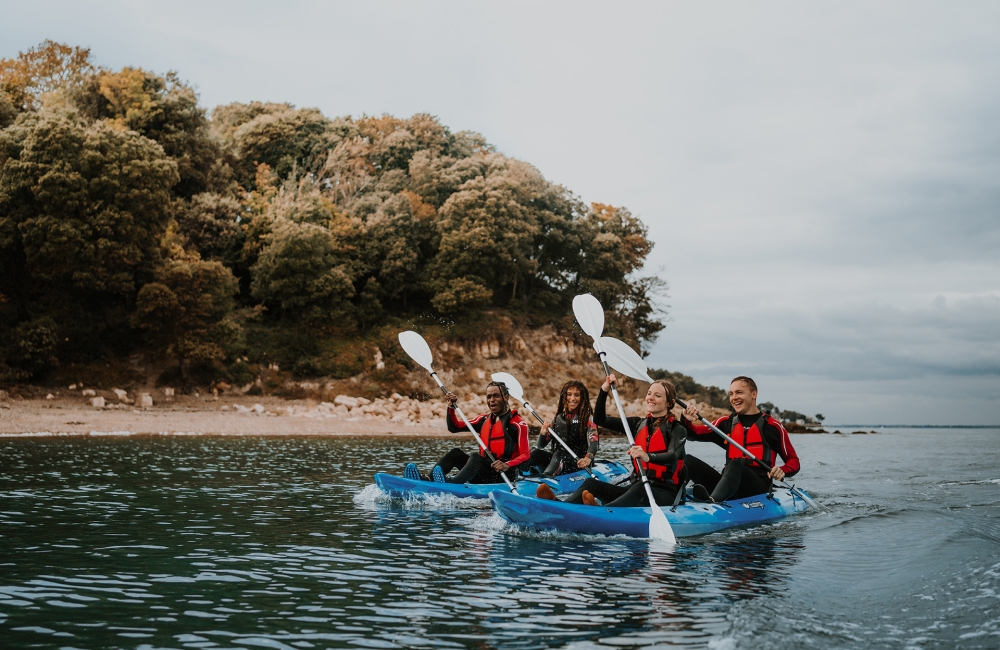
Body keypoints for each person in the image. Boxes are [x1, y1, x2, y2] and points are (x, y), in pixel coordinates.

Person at [556, 374, 686, 507]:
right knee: (592, 484)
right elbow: (599, 420)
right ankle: (560, 507)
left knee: (640, 488)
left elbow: (673, 456)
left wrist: (648, 456)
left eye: (657, 396)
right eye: (649, 393)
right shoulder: (637, 424)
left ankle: (601, 512)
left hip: (665, 494)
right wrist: (604, 389)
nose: (650, 398)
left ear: (669, 403)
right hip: (637, 488)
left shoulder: (677, 429)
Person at [681, 376, 800, 503]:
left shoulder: (773, 426)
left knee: (735, 464)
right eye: (731, 394)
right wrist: (686, 419)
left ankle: (712, 502)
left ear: (754, 394)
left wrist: (782, 470)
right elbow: (693, 434)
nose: (734, 397)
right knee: (689, 461)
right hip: (728, 484)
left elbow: (793, 461)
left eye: (739, 392)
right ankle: (671, 498)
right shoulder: (725, 423)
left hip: (757, 488)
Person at [404, 380, 530, 484]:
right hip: (483, 473)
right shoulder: (484, 420)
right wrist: (451, 408)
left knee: (475, 457)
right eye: (489, 397)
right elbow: (454, 427)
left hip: (504, 476)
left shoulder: (517, 424)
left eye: (496, 396)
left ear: (506, 397)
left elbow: (525, 455)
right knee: (456, 453)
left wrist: (507, 465)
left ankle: (452, 483)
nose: (492, 400)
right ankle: (428, 479)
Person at [526, 380, 599, 477]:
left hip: (578, 463)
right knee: (536, 453)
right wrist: (543, 433)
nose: (572, 398)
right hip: (558, 461)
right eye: (569, 394)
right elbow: (540, 445)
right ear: (564, 397)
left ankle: (547, 478)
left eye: (577, 395)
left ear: (582, 398)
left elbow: (594, 443)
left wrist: (588, 458)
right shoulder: (558, 419)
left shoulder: (588, 418)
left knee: (558, 454)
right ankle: (515, 473)